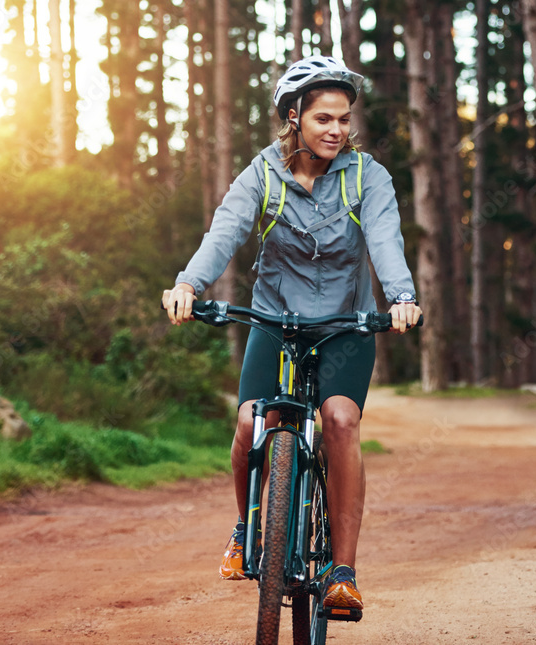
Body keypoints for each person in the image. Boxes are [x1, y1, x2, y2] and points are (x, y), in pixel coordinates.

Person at [161, 56, 422, 617]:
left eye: (345, 119)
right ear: (294, 117)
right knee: (252, 419)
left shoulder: (367, 176)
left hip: (345, 325)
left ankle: (343, 573)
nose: (336, 130)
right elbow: (224, 231)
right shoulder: (262, 173)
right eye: (324, 118)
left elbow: (384, 240)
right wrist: (188, 284)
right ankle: (246, 527)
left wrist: (400, 297)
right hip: (275, 320)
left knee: (340, 420)